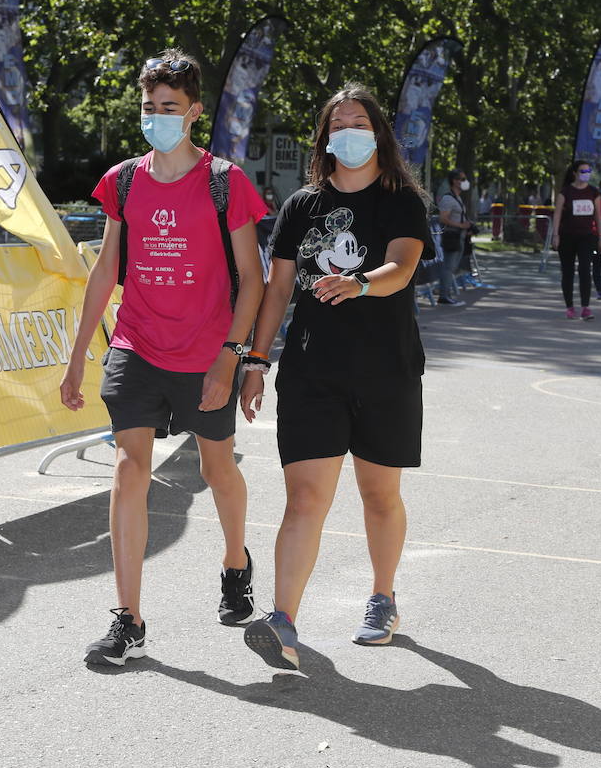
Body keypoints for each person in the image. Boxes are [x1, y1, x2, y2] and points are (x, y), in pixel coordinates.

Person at [60, 49, 268, 666]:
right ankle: (128, 618)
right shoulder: (123, 181)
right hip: (137, 346)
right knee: (128, 469)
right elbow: (104, 272)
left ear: (194, 111)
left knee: (216, 470)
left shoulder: (224, 182)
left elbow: (252, 280)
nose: (156, 118)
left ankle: (236, 560)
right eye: (149, 108)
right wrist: (77, 358)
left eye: (169, 108)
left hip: (207, 353)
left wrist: (232, 359)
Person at [238, 84, 429, 670]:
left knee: (380, 496)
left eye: (360, 122)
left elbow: (400, 267)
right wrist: (254, 360)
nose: (349, 132)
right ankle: (283, 620)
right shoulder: (302, 206)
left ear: (379, 134)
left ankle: (383, 596)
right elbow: (276, 291)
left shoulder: (401, 200)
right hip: (312, 371)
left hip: (386, 371)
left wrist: (361, 282)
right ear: (325, 137)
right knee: (305, 499)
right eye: (338, 123)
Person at [551, 160, 600, 320]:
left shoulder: (594, 192)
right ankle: (569, 306)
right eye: (583, 171)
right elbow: (557, 215)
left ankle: (586, 306)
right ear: (575, 173)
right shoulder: (565, 193)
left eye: (588, 171)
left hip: (587, 237)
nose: (586, 174)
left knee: (585, 269)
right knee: (568, 272)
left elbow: (598, 217)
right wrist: (555, 235)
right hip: (567, 237)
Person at [434, 169, 471, 306]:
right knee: (448, 267)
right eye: (462, 179)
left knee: (451, 267)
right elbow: (443, 219)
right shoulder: (448, 198)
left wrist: (467, 226)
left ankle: (443, 291)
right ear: (454, 181)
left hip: (459, 236)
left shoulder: (458, 198)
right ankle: (444, 296)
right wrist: (461, 225)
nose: (464, 182)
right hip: (452, 236)